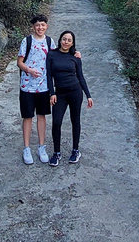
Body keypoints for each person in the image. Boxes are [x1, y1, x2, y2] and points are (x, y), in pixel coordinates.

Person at [16, 14, 80, 165]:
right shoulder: (27, 41)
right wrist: (29, 70)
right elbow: (19, 62)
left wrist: (76, 53)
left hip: (44, 87)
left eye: (43, 25)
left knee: (42, 115)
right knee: (27, 117)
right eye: (37, 25)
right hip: (27, 86)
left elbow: (61, 53)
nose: (40, 27)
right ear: (34, 26)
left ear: (47, 26)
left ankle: (41, 147)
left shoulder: (50, 42)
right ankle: (26, 148)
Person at [46, 30, 93, 166]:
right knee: (56, 122)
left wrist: (88, 95)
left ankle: (75, 150)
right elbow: (49, 76)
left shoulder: (75, 57)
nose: (66, 42)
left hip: (75, 91)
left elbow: (81, 76)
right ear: (60, 40)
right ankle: (56, 153)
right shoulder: (52, 55)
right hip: (59, 93)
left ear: (72, 43)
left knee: (75, 121)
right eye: (64, 39)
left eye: (69, 40)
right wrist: (52, 93)